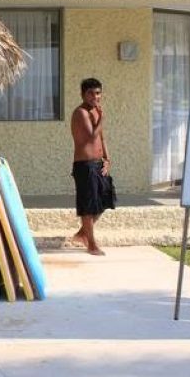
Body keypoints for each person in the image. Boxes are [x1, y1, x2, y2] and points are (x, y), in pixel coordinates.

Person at [69, 77, 116, 255]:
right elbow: (90, 136)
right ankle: (91, 244)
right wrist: (101, 118)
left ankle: (82, 234)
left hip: (98, 164)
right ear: (82, 94)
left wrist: (107, 159)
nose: (95, 97)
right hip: (85, 165)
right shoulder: (81, 112)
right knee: (88, 206)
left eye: (98, 93)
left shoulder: (96, 112)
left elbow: (101, 138)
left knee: (105, 199)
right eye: (90, 93)